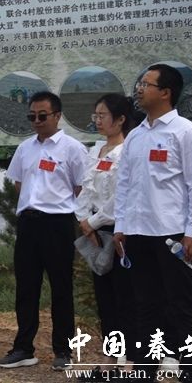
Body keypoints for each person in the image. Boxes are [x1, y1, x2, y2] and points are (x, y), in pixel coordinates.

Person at [114, 64, 192, 379]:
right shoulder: (136, 136)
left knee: (181, 305)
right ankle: (146, 369)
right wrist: (121, 227)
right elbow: (125, 185)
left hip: (173, 233)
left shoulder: (185, 132)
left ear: (166, 92)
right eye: (139, 83)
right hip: (138, 232)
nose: (139, 89)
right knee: (145, 305)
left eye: (146, 84)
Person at [0, 91, 86, 372]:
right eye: (31, 116)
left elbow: (81, 186)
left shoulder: (72, 148)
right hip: (28, 224)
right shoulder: (25, 148)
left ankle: (63, 349)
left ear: (57, 116)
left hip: (58, 224)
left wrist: (57, 204)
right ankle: (23, 348)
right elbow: (18, 182)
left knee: (61, 288)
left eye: (42, 116)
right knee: (26, 288)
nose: (36, 121)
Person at [74, 93, 136, 364]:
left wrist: (93, 222)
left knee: (125, 296)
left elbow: (122, 196)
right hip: (94, 232)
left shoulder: (127, 151)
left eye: (103, 115)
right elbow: (84, 190)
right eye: (95, 115)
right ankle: (112, 357)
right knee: (105, 297)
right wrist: (83, 220)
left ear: (120, 119)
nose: (98, 120)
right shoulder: (95, 150)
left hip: (118, 229)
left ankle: (131, 358)